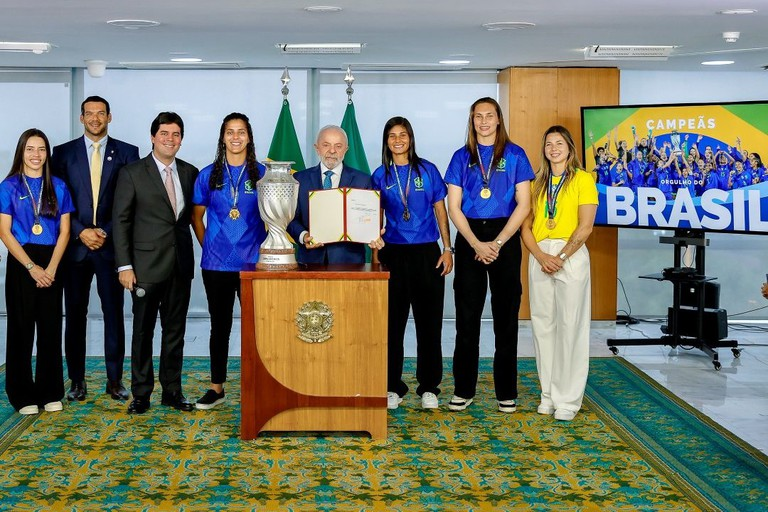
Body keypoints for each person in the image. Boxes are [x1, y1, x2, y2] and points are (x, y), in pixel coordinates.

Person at [444, 97, 534, 413]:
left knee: (506, 318)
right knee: (466, 319)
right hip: (470, 236)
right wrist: (474, 244)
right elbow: (453, 207)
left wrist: (497, 243)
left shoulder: (515, 154)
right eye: (478, 116)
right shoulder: (460, 157)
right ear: (472, 121)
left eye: (489, 115)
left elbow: (524, 204)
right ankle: (463, 389)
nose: (483, 121)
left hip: (505, 237)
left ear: (499, 120)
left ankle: (506, 391)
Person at [51, 95, 139, 402]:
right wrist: (80, 231)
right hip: (74, 248)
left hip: (111, 247)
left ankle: (115, 381)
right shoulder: (61, 154)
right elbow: (55, 200)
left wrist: (105, 232)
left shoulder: (128, 153)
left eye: (101, 113)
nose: (95, 118)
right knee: (75, 314)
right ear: (81, 118)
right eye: (89, 114)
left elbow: (129, 202)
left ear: (109, 117)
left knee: (113, 313)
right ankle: (77, 380)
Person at [112, 112, 199, 414]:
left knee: (175, 332)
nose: (170, 139)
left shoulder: (190, 172)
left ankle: (172, 391)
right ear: (152, 137)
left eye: (176, 134)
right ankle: (141, 394)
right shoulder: (132, 172)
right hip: (144, 267)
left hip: (179, 265)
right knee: (143, 332)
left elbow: (190, 219)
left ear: (181, 139)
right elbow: (121, 221)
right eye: (164, 133)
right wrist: (124, 266)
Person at [371, 117, 453, 410]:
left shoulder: (427, 170)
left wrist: (447, 248)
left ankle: (429, 386)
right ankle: (392, 386)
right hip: (393, 254)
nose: (397, 140)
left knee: (429, 323)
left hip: (427, 254)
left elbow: (440, 210)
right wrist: (376, 260)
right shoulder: (380, 174)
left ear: (410, 138)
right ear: (386, 140)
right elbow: (372, 218)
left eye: (402, 135)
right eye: (392, 135)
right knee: (391, 324)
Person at [520, 125, 598, 422]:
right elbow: (525, 226)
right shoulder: (536, 183)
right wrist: (541, 256)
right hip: (539, 255)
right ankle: (548, 394)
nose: (554, 148)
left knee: (571, 326)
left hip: (571, 256)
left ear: (570, 147)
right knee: (543, 326)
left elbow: (585, 226)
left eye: (559, 143)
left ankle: (568, 399)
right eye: (549, 143)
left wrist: (561, 256)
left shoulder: (583, 179)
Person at [191, 113, 267, 410]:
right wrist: (209, 245)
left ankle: (257, 383)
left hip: (253, 263)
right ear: (223, 138)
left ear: (249, 137)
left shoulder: (262, 174)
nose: (236, 137)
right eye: (230, 132)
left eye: (242, 132)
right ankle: (217, 387)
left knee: (256, 328)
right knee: (219, 326)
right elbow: (196, 217)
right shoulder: (208, 174)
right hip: (217, 265)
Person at [0, 129, 74, 415]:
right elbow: (4, 232)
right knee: (21, 329)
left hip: (53, 260)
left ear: (47, 153)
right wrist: (32, 267)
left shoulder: (58, 186)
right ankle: (21, 394)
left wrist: (52, 267)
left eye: (41, 149)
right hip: (23, 261)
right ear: (21, 152)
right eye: (30, 149)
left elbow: (66, 230)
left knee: (50, 328)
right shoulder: (8, 187)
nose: (36, 155)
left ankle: (50, 390)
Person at [287, 125, 383, 264]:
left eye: (338, 146)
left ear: (346, 149)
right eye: (326, 145)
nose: (332, 151)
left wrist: (372, 234)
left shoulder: (363, 180)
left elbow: (368, 220)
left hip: (350, 263)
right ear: (317, 148)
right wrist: (304, 236)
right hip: (310, 262)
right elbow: (290, 218)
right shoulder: (299, 179)